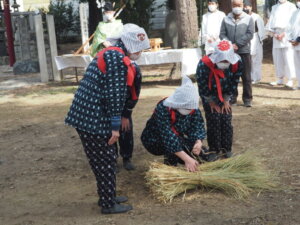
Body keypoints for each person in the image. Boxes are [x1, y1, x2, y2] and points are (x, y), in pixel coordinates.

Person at [65, 24, 150, 214]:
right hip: (92, 118)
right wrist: (115, 127)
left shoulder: (112, 53)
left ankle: (108, 196)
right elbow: (115, 95)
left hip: (89, 114)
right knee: (105, 160)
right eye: (139, 48)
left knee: (106, 159)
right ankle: (108, 204)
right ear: (129, 44)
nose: (141, 53)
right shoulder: (118, 59)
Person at [141, 76, 206, 172]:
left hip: (176, 137)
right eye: (186, 107)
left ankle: (186, 162)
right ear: (178, 103)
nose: (189, 110)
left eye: (191, 108)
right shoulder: (163, 108)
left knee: (196, 150)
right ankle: (171, 170)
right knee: (172, 147)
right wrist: (187, 159)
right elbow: (168, 137)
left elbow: (197, 125)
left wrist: (198, 141)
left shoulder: (193, 106)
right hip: (154, 140)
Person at [196, 40, 243, 160]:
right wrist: (211, 101)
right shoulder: (204, 64)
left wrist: (227, 99)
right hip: (210, 95)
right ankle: (214, 150)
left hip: (226, 94)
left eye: (227, 61)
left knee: (226, 119)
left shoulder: (237, 63)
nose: (225, 63)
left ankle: (227, 149)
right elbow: (202, 85)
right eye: (222, 60)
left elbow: (234, 82)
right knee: (213, 119)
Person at [220, 0, 254, 107]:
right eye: (234, 5)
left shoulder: (249, 18)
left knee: (246, 77)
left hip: (244, 51)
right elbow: (222, 34)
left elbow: (250, 34)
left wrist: (238, 44)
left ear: (243, 5)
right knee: (230, 76)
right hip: (230, 53)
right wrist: (230, 45)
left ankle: (247, 99)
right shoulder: (226, 18)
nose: (237, 7)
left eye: (239, 5)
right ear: (231, 5)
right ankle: (232, 98)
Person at [265, 0, 297, 88]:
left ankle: (290, 79)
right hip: (276, 34)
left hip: (287, 34)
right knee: (277, 57)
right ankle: (280, 78)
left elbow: (293, 22)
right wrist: (274, 34)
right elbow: (271, 22)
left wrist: (284, 34)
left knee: (288, 57)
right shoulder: (274, 7)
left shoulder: (291, 6)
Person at [243, 0, 266, 84]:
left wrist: (260, 40)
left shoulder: (256, 17)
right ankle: (249, 77)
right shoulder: (242, 17)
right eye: (244, 6)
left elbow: (261, 30)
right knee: (248, 59)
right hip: (245, 39)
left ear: (251, 7)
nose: (246, 8)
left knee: (256, 59)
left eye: (247, 6)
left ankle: (256, 77)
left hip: (255, 38)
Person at [287, 0, 300, 90]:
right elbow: (289, 27)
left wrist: (299, 39)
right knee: (297, 64)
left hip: (298, 41)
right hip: (295, 44)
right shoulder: (295, 12)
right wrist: (291, 39)